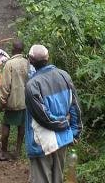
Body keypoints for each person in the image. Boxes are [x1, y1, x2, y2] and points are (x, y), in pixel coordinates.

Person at [25, 44, 82, 183]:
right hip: (63, 138)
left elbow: (43, 117)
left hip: (42, 142)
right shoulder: (64, 75)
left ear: (30, 60)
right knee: (58, 178)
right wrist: (74, 131)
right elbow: (75, 107)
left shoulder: (32, 85)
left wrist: (64, 124)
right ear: (48, 57)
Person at [0, 40, 29, 161]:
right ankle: (17, 152)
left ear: (13, 50)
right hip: (24, 102)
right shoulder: (27, 63)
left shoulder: (10, 64)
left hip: (12, 101)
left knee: (6, 125)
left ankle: (3, 152)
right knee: (21, 127)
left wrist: (1, 102)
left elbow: (5, 86)